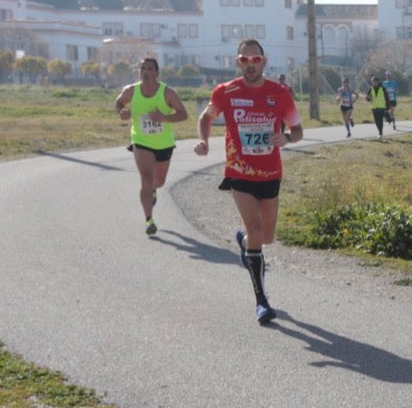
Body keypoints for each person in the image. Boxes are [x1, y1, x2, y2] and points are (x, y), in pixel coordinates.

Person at [193, 38, 303, 325]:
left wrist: (286, 138)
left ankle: (243, 240)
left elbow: (298, 130)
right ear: (237, 62)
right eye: (244, 60)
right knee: (256, 231)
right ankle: (262, 302)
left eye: (255, 60)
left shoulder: (279, 93)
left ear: (264, 62)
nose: (250, 65)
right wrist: (203, 141)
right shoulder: (226, 91)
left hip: (270, 173)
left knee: (265, 237)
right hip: (239, 172)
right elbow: (206, 117)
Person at [113, 55, 188, 236]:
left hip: (164, 143)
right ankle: (149, 220)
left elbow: (183, 114)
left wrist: (164, 118)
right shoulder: (131, 91)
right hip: (141, 141)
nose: (145, 72)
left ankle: (154, 189)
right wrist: (122, 112)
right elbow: (119, 102)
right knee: (146, 178)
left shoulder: (167, 93)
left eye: (149, 69)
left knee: (159, 181)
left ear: (157, 73)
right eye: (142, 69)